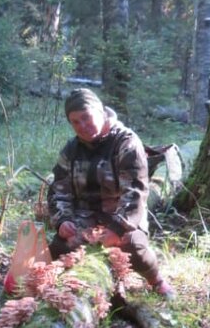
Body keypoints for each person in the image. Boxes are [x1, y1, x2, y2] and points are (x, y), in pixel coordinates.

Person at [46, 88, 173, 297]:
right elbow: (59, 189)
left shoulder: (126, 142)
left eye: (87, 118)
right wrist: (63, 221)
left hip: (122, 214)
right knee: (59, 247)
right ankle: (64, 291)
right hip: (85, 215)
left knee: (133, 245)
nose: (83, 126)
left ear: (101, 112)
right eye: (75, 122)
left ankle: (156, 280)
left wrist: (117, 228)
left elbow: (135, 190)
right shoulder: (71, 149)